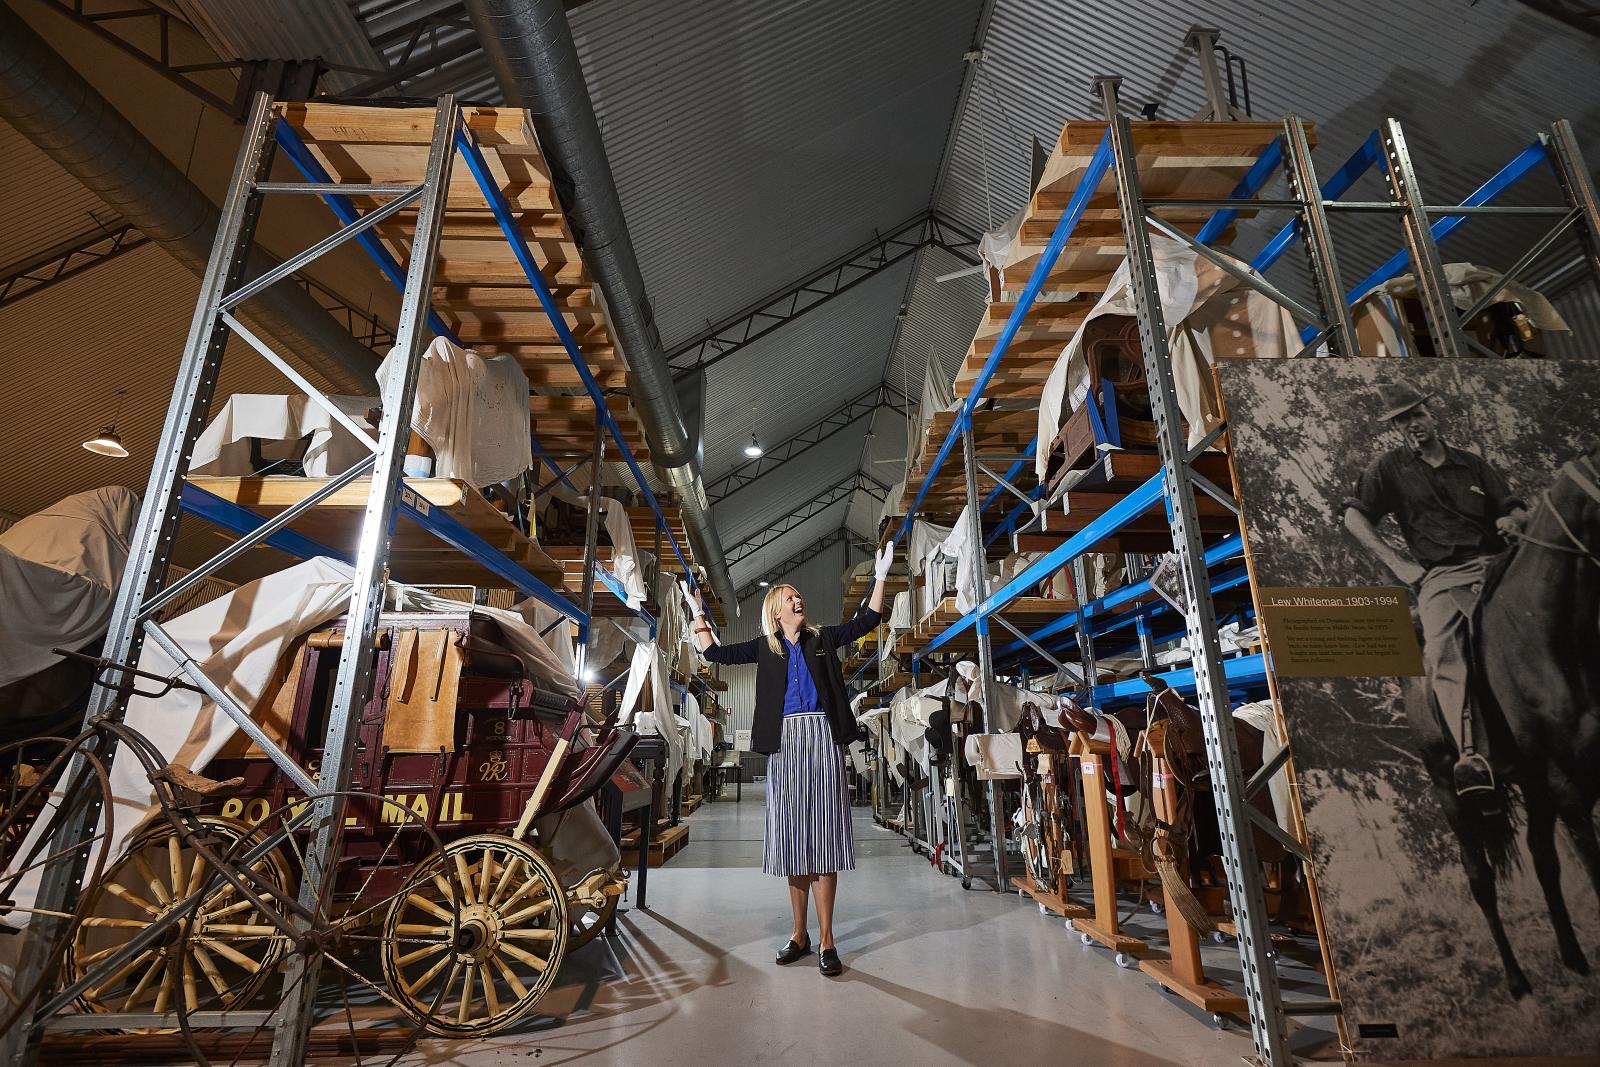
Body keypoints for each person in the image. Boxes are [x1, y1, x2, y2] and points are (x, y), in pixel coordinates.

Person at [682, 540, 895, 977]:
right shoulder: (765, 647)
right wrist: (696, 611)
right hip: (785, 744)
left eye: (800, 596)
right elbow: (714, 654)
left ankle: (828, 940)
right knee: (795, 841)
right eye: (790, 598)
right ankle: (800, 935)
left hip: (821, 737)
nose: (799, 600)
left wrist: (880, 577)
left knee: (826, 839)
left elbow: (869, 620)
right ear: (776, 611)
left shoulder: (822, 638)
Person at [1342, 382, 1526, 797]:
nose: (1411, 425)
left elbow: (1514, 505)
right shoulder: (1389, 468)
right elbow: (1355, 519)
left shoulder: (1472, 464)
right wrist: (1399, 564)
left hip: (1501, 565)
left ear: (1430, 413)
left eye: (1415, 415)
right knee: (1443, 648)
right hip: (1444, 575)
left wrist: (1514, 520)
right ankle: (1471, 756)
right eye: (1401, 420)